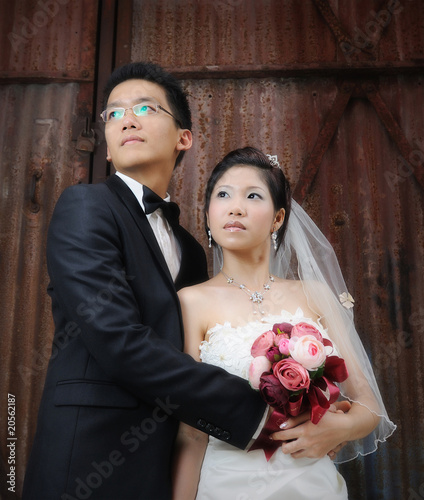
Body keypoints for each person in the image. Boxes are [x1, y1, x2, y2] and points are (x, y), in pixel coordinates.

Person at [22, 63, 269, 500]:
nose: (127, 119)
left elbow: (192, 345)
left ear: (183, 138)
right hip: (87, 455)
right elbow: (117, 338)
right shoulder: (85, 206)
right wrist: (254, 410)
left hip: (163, 464)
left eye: (145, 108)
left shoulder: (191, 250)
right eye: (114, 114)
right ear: (109, 148)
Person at [173, 147, 396, 500]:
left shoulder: (315, 294)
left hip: (312, 484)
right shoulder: (190, 301)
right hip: (226, 484)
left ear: (278, 219)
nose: (235, 207)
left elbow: (368, 404)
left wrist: (339, 427)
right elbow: (191, 432)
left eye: (253, 195)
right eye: (223, 195)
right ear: (207, 215)